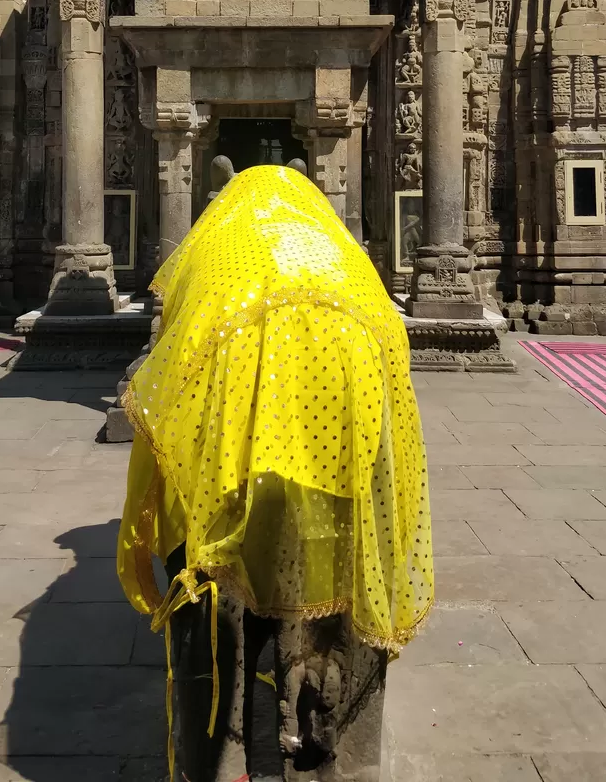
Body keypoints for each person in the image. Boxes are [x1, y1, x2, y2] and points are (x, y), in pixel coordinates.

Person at [117, 164, 433, 782]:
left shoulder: (220, 244)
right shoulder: (334, 250)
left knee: (229, 593)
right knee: (323, 593)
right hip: (345, 424)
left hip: (236, 429)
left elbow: (169, 379)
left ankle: (233, 744)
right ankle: (325, 735)